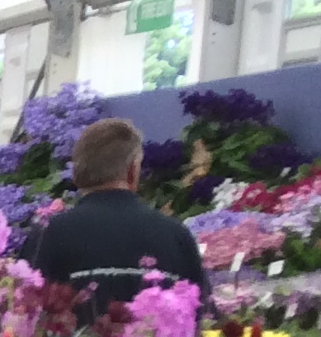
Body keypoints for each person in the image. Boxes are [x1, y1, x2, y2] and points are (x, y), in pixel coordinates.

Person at [26, 115, 209, 311]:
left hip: (73, 331)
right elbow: (203, 313)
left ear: (76, 176)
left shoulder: (47, 235)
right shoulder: (176, 236)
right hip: (157, 332)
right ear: (132, 171)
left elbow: (22, 309)